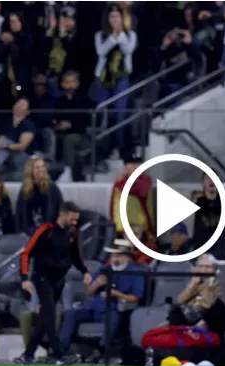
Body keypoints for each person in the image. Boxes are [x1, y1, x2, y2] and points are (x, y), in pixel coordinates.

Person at [14, 201, 91, 365]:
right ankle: (59, 353)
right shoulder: (45, 230)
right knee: (49, 315)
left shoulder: (72, 233)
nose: (74, 223)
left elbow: (76, 256)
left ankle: (27, 355)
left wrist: (84, 271)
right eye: (72, 219)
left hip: (59, 280)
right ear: (62, 215)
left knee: (44, 318)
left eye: (76, 220)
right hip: (42, 278)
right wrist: (25, 278)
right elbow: (26, 253)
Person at [57, 239, 144, 364]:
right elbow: (89, 292)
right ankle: (61, 351)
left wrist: (115, 294)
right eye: (113, 255)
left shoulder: (136, 273)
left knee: (112, 319)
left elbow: (136, 297)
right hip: (94, 307)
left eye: (118, 256)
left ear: (128, 258)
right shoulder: (104, 269)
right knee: (72, 313)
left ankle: (101, 351)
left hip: (114, 308)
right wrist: (97, 284)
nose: (114, 259)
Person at [94, 5, 138, 157]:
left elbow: (128, 50)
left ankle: (120, 147)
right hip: (103, 77)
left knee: (120, 112)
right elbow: (101, 51)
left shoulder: (130, 34)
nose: (115, 20)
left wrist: (120, 36)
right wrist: (113, 37)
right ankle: (102, 149)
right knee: (104, 113)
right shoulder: (100, 35)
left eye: (117, 17)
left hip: (121, 77)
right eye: (112, 17)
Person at [16, 158, 64, 236]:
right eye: (37, 167)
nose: (41, 170)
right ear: (31, 170)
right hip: (29, 231)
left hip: (48, 230)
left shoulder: (52, 187)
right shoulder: (24, 189)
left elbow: (61, 208)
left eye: (43, 166)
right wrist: (21, 231)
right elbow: (19, 213)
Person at [110, 152, 154, 236]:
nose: (135, 166)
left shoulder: (145, 179)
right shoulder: (119, 181)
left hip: (141, 230)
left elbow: (140, 191)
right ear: (125, 166)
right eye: (131, 163)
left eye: (138, 163)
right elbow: (113, 205)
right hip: (120, 229)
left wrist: (123, 181)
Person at [0, 98, 37, 180]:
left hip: (25, 156)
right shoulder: (7, 123)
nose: (18, 106)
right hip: (7, 156)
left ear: (27, 111)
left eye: (23, 105)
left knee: (5, 145)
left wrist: (5, 146)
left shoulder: (28, 124)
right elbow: (0, 140)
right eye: (18, 103)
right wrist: (0, 145)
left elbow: (22, 146)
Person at [192, 172, 225, 259]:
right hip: (200, 249)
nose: (212, 180)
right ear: (203, 182)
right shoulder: (197, 201)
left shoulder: (224, 200)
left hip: (220, 251)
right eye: (208, 178)